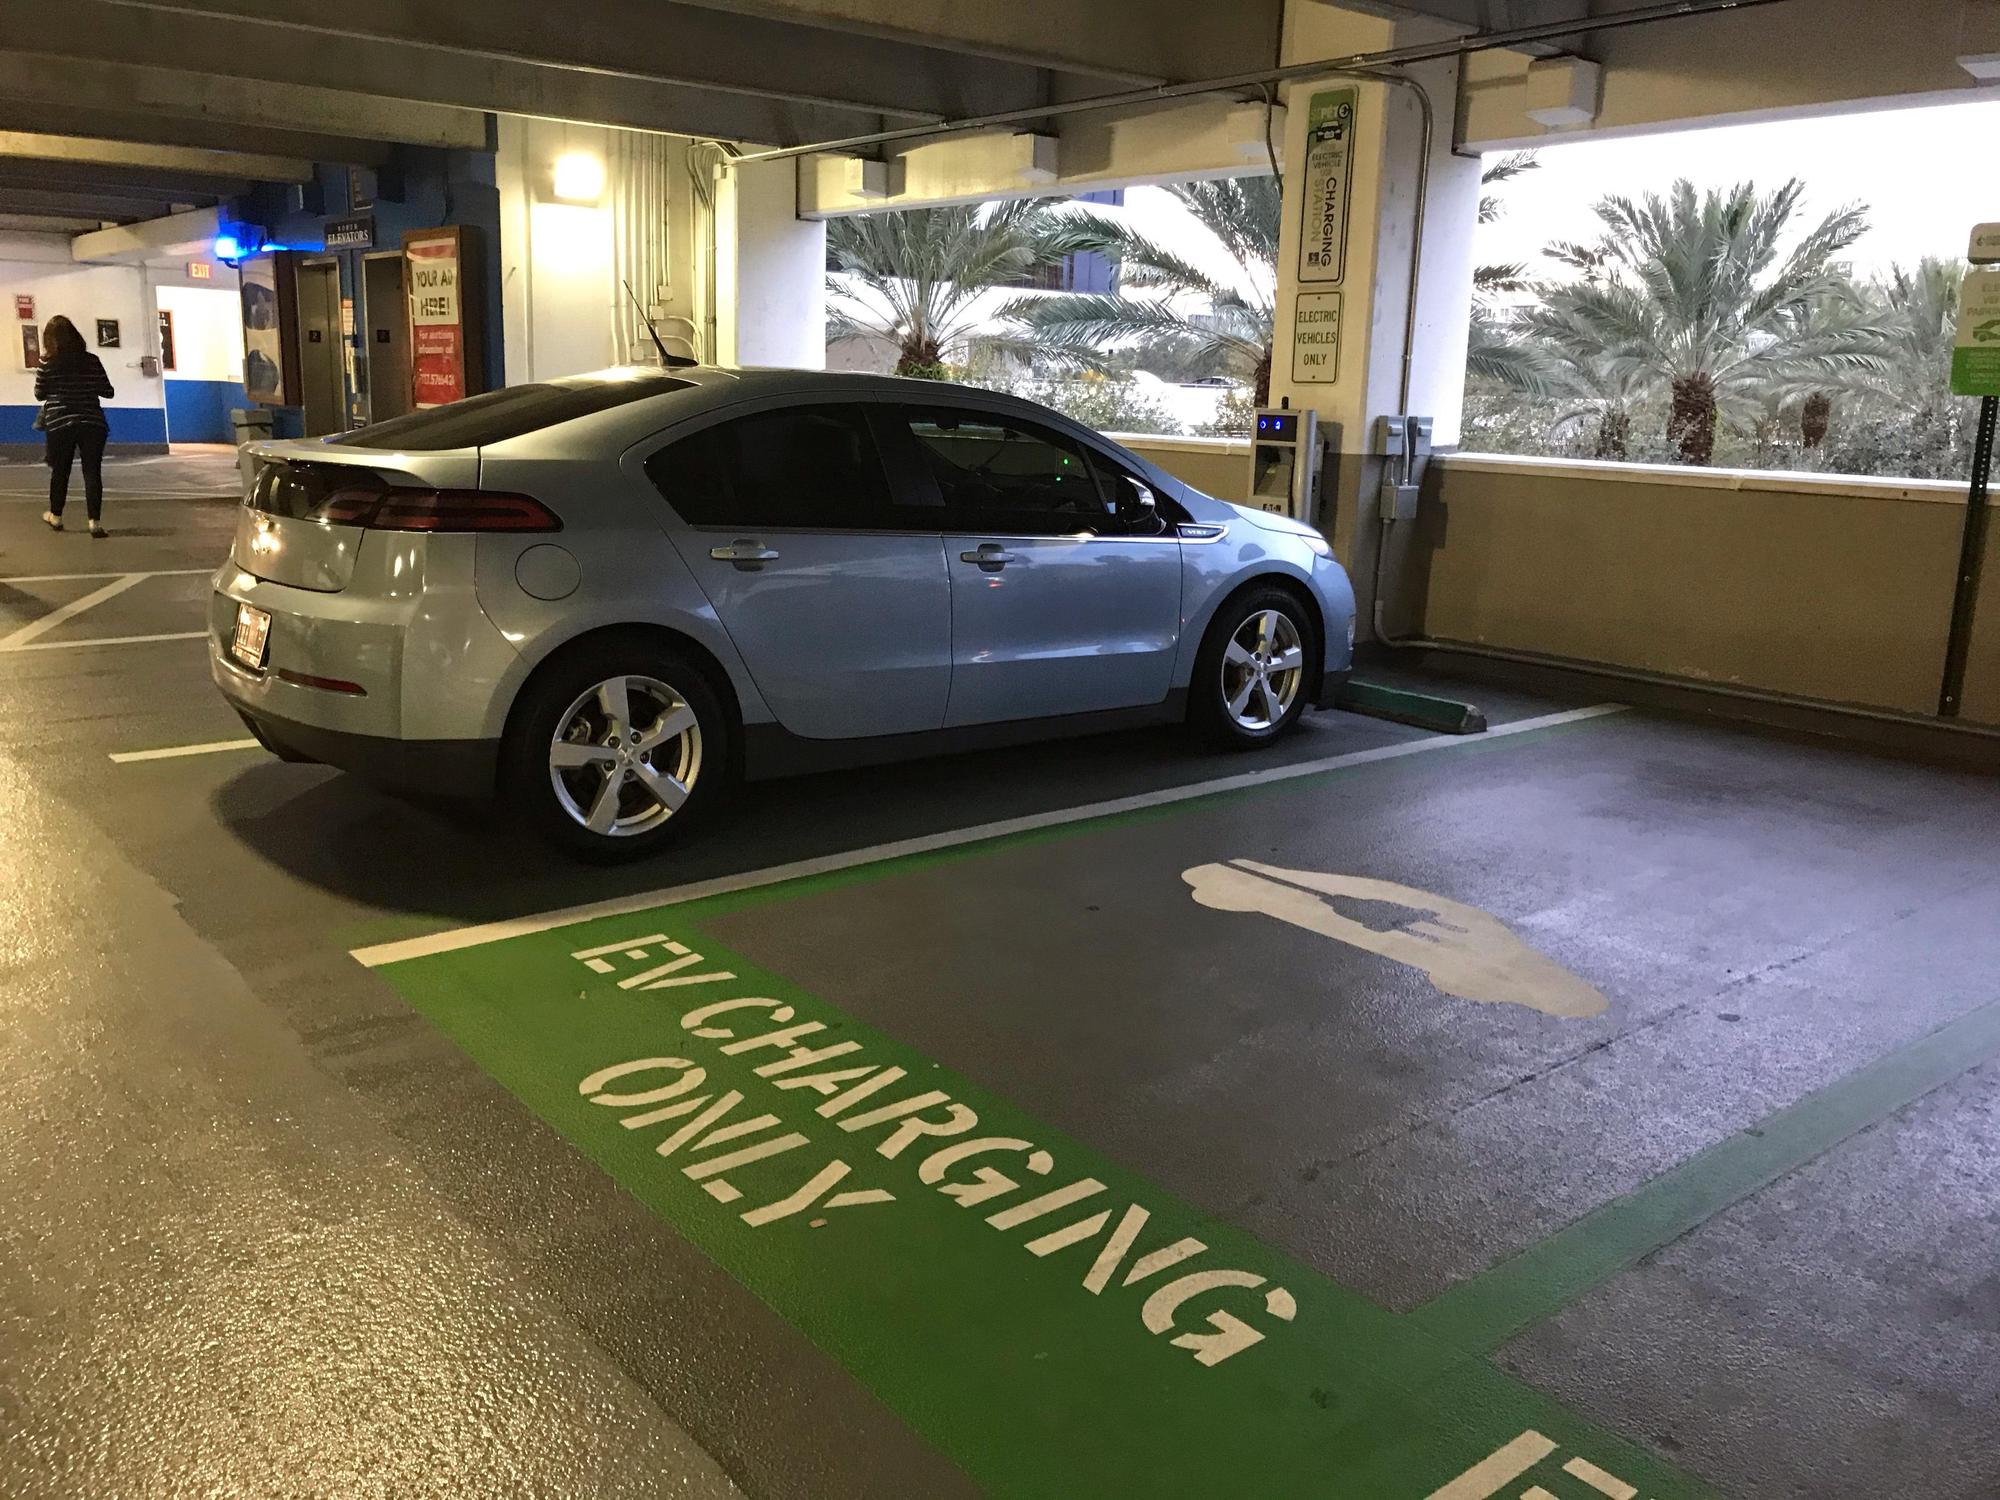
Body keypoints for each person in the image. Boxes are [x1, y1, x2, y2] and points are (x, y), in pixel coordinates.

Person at [36, 315, 114, 538]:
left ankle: (56, 516)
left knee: (60, 470)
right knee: (92, 472)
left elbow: (39, 393)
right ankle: (94, 523)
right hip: (92, 422)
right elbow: (108, 391)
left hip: (60, 422)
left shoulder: (47, 363)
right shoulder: (92, 360)